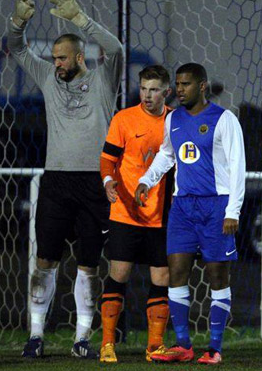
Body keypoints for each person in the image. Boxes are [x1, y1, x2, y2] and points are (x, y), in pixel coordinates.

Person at [7, 0, 123, 359]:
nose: (55, 63)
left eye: (62, 57)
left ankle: (82, 339)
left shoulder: (104, 80)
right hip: (56, 181)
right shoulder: (48, 78)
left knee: (89, 264)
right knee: (45, 260)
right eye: (54, 58)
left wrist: (81, 20)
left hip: (94, 182)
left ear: (78, 56)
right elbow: (19, 50)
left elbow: (116, 48)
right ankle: (37, 335)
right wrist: (18, 23)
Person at [134, 63, 245, 365]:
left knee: (216, 274)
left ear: (202, 86)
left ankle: (215, 347)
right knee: (176, 272)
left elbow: (237, 167)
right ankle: (183, 345)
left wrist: (232, 210)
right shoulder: (174, 119)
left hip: (216, 206)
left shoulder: (224, 120)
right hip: (182, 206)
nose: (179, 90)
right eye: (178, 84)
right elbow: (167, 154)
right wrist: (147, 180)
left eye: (186, 84)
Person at [99, 65, 174, 363]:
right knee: (119, 274)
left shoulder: (175, 121)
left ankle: (154, 346)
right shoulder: (124, 119)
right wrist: (108, 182)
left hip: (162, 213)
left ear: (166, 92)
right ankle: (107, 344)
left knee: (162, 276)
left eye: (154, 89)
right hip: (125, 211)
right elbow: (107, 160)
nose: (147, 95)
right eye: (144, 88)